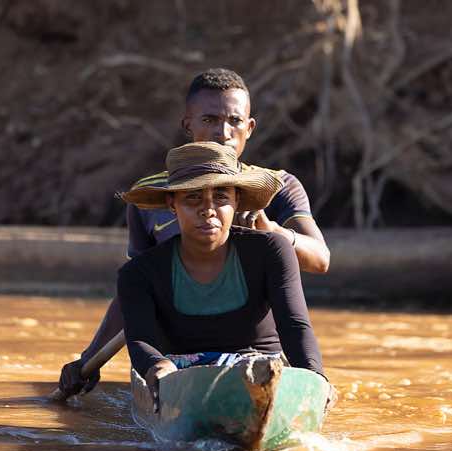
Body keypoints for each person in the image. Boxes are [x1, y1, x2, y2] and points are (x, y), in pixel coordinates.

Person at [59, 68, 330, 396]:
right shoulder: (152, 198)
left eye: (234, 121)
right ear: (188, 124)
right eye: (211, 120)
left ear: (250, 127)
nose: (224, 132)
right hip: (178, 356)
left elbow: (320, 260)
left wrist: (271, 231)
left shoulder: (279, 189)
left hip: (256, 347)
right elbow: (134, 295)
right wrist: (90, 359)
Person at [118, 141, 325, 389]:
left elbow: (295, 326)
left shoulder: (272, 251)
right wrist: (157, 367)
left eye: (220, 197)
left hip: (262, 368)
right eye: (193, 197)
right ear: (172, 204)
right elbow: (141, 340)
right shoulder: (138, 274)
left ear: (237, 200)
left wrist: (314, 379)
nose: (208, 210)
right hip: (181, 374)